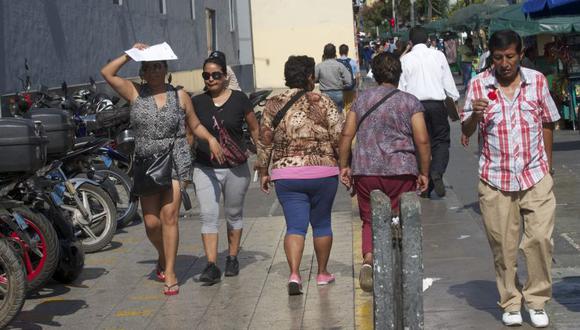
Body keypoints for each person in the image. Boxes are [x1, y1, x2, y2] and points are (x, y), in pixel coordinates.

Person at [100, 43, 224, 296]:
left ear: (166, 70)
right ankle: (162, 254)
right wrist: (129, 53)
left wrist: (210, 139)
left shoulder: (180, 95)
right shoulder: (134, 92)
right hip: (147, 161)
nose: (155, 71)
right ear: (143, 72)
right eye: (150, 67)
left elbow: (195, 124)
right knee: (151, 222)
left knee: (169, 216)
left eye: (159, 66)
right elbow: (107, 73)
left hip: (176, 157)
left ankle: (170, 271)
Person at [461, 29, 559, 328]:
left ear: (520, 54)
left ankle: (537, 299)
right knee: (503, 245)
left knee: (540, 239)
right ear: (491, 56)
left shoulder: (537, 81)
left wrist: (548, 166)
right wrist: (474, 116)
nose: (505, 63)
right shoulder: (479, 85)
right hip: (496, 179)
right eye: (499, 57)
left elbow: (548, 122)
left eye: (510, 57)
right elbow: (465, 133)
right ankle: (511, 301)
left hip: (535, 175)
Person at [338, 52, 430, 292]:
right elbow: (422, 139)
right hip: (401, 171)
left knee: (369, 218)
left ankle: (369, 260)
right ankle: (400, 262)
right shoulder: (410, 102)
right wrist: (424, 171)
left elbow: (347, 134)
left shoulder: (361, 100)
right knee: (399, 215)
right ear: (399, 75)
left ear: (375, 75)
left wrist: (344, 165)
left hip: (366, 171)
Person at [256, 55, 344, 296]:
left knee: (295, 226)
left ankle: (294, 274)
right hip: (323, 172)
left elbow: (264, 140)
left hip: (287, 173)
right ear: (309, 77)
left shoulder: (273, 103)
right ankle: (323, 273)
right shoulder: (324, 101)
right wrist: (346, 165)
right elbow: (339, 136)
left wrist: (264, 170)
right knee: (322, 223)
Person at [191, 54, 260, 284]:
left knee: (233, 214)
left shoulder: (240, 99)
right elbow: (190, 133)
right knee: (209, 216)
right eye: (206, 75)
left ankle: (231, 257)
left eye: (215, 75)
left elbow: (254, 128)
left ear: (225, 76)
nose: (211, 79)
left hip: (235, 167)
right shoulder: (197, 101)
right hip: (205, 167)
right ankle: (211, 265)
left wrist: (262, 156)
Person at [398, 26, 459, 198]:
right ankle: (437, 172)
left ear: (410, 43)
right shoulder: (438, 55)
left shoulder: (405, 60)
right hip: (437, 105)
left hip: (414, 108)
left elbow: (400, 87)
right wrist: (454, 100)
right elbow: (448, 82)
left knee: (419, 143)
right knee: (440, 141)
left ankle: (423, 181)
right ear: (428, 40)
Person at [315, 43, 353, 112]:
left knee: (326, 115)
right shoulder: (340, 65)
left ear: (324, 54)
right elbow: (349, 81)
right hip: (338, 93)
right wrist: (342, 86)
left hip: (325, 94)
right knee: (338, 114)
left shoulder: (319, 66)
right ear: (335, 53)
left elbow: (314, 79)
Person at [337, 44, 360, 113]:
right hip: (351, 87)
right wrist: (356, 87)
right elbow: (357, 76)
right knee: (350, 107)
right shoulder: (352, 62)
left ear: (339, 52)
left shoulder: (336, 62)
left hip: (339, 88)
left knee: (340, 107)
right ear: (347, 51)